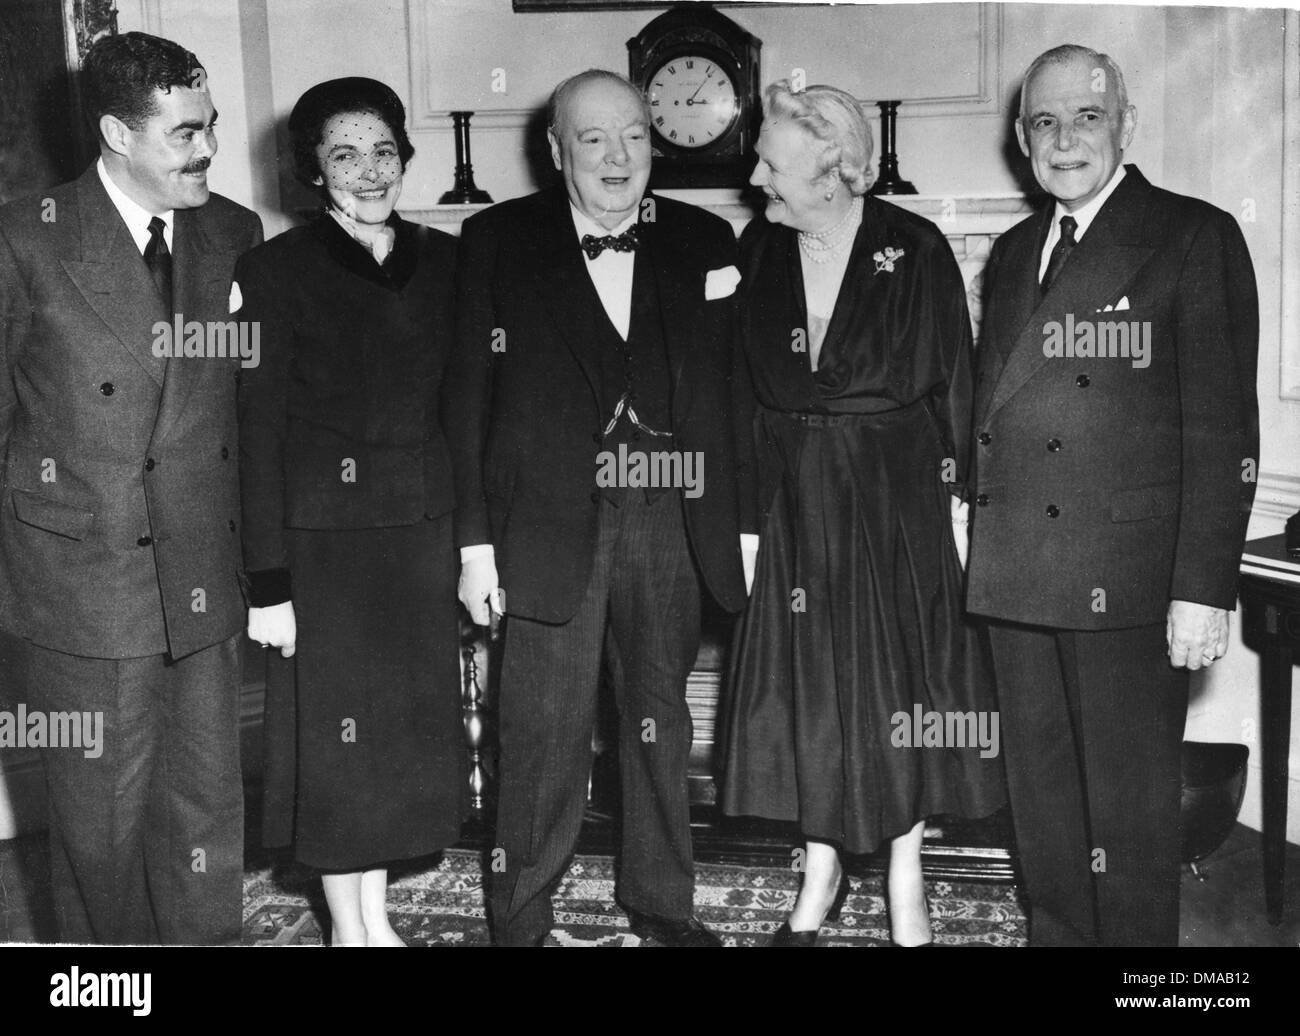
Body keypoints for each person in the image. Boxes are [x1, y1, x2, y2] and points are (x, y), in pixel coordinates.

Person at [444, 69, 756, 947]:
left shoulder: (706, 238)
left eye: (633, 137)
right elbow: (464, 403)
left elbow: (733, 399)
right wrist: (475, 548)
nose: (618, 158)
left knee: (659, 719)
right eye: (593, 139)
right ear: (556, 154)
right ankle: (520, 913)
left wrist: (742, 526)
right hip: (544, 527)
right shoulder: (496, 240)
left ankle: (662, 902)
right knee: (540, 731)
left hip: (670, 521)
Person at [966, 44, 1259, 946]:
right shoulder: (1015, 253)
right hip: (1018, 577)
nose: (1065, 140)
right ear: (1021, 139)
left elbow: (1222, 430)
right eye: (1045, 123)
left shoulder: (1191, 235)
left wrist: (1203, 587)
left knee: (1128, 830)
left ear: (1125, 126)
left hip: (1129, 583)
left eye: (1087, 117)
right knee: (1044, 814)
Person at [719, 81, 1004, 947]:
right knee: (808, 689)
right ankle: (821, 868)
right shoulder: (759, 250)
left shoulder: (910, 247)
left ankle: (906, 875)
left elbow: (956, 381)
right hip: (792, 499)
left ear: (835, 169)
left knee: (900, 690)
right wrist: (743, 516)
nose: (757, 176)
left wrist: (961, 511)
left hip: (895, 499)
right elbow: (736, 393)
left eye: (773, 161)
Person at [0, 32, 261, 943]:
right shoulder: (23, 236)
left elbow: (237, 414)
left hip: (200, 568)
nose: (208, 151)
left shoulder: (234, 231)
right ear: (117, 132)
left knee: (204, 810)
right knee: (98, 826)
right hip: (83, 580)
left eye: (212, 126)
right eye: (185, 133)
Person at [236, 78, 467, 946]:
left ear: (405, 156)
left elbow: (464, 407)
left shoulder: (446, 261)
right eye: (343, 153)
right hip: (320, 549)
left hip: (419, 538)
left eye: (382, 150)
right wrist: (267, 582)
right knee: (337, 748)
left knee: (395, 741)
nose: (368, 171)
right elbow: (254, 434)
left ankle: (375, 917)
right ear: (313, 172)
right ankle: (349, 928)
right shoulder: (271, 272)